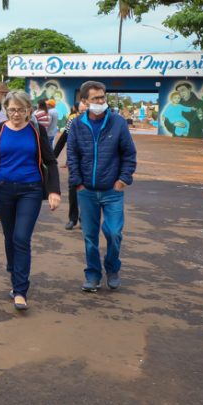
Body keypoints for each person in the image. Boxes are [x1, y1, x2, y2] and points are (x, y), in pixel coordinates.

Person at [0, 90, 61, 311]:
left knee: (21, 237)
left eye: (21, 110)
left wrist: (54, 191)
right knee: (10, 236)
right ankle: (15, 273)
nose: (16, 114)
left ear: (29, 111)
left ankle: (21, 290)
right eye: (12, 110)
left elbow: (51, 162)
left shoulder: (36, 131)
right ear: (6, 110)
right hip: (3, 190)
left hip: (31, 190)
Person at [67, 80, 137, 292]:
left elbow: (129, 154)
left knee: (114, 233)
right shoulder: (77, 124)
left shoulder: (117, 122)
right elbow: (72, 155)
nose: (100, 101)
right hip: (86, 190)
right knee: (90, 237)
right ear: (84, 101)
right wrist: (77, 183)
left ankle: (112, 267)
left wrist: (123, 179)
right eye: (95, 98)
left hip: (112, 191)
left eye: (102, 97)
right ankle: (93, 275)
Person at [54, 99, 88, 230]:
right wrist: (52, 158)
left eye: (85, 111)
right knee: (73, 191)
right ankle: (72, 219)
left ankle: (84, 219)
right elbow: (63, 140)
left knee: (87, 192)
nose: (83, 114)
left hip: (90, 164)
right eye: (81, 111)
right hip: (74, 163)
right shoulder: (72, 121)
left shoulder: (96, 124)